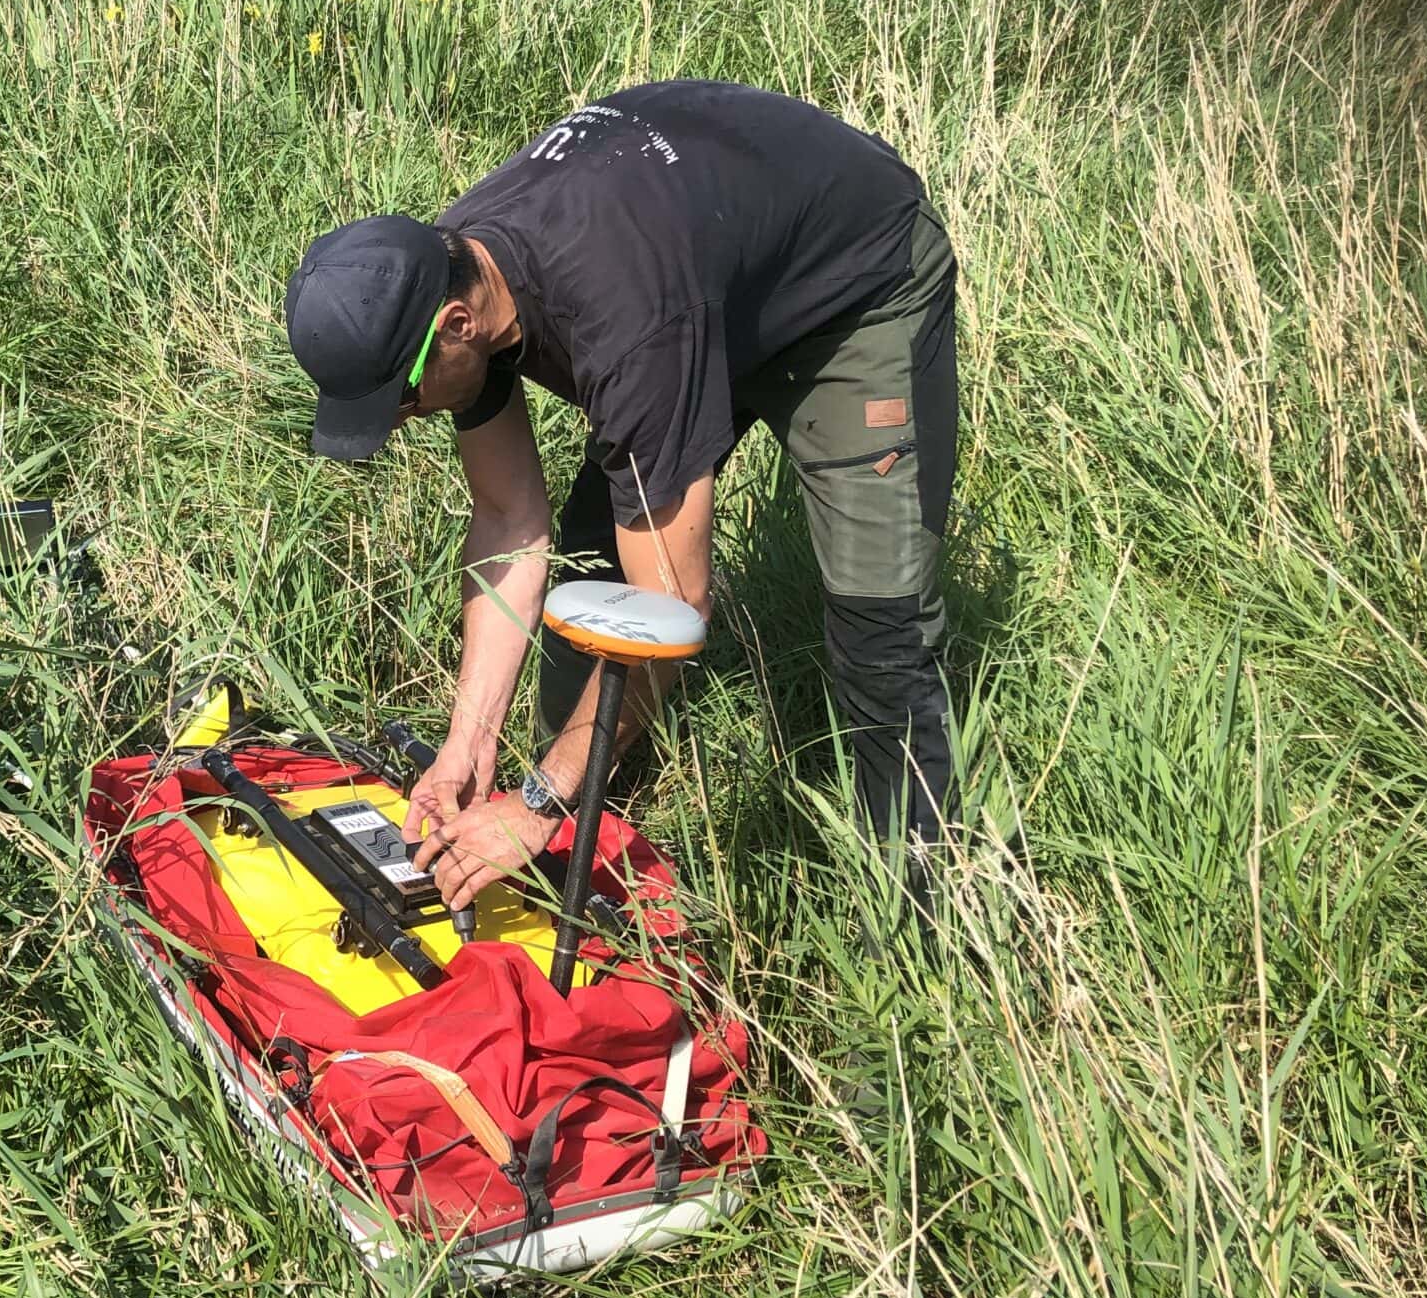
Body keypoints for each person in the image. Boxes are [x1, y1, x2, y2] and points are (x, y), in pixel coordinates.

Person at [282, 80, 959, 918]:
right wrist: (468, 743)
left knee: (878, 623)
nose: (409, 416)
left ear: (458, 323)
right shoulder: (452, 271)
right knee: (589, 567)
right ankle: (587, 872)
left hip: (855, 285)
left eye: (404, 397)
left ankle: (929, 917)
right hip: (704, 272)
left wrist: (534, 803)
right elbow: (508, 524)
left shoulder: (626, 320)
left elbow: (673, 610)